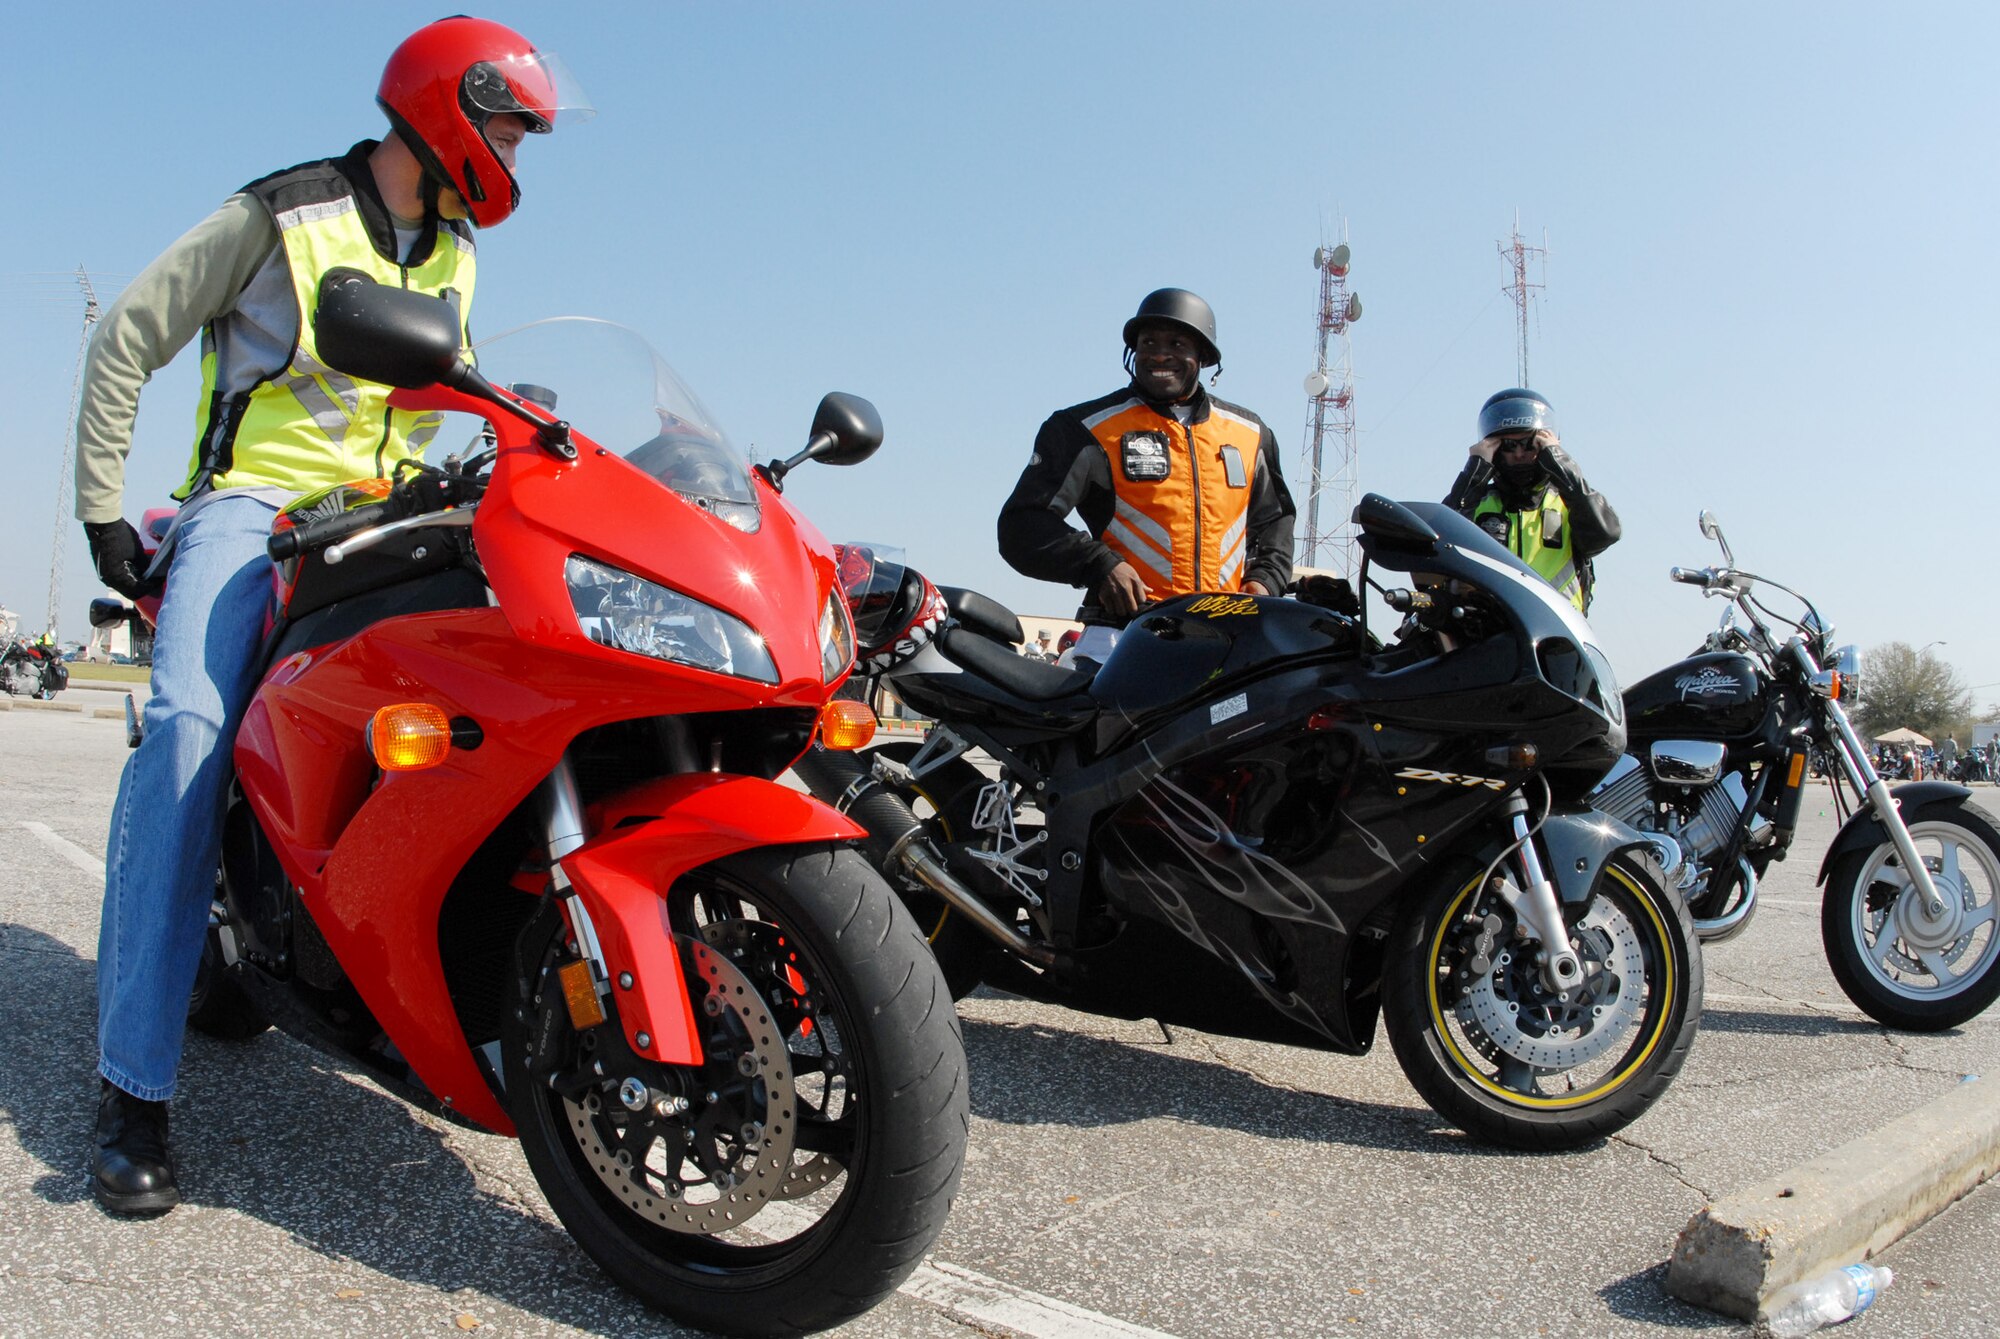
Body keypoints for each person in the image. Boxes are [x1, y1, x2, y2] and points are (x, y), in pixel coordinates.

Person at [73, 16, 586, 1216]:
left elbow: (433, 388)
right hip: (257, 510)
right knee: (191, 740)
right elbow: (123, 337)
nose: (519, 148)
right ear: (449, 110)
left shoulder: (455, 249)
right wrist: (106, 510)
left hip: (388, 511)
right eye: (511, 123)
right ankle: (130, 1086)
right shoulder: (281, 215)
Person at [997, 288, 1295, 658]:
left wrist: (1264, 581)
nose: (1158, 354)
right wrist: (1099, 564)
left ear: (1203, 356)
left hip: (1225, 642)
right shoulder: (1084, 429)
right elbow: (1021, 527)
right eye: (1147, 341)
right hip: (1120, 641)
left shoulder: (1250, 434)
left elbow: (1275, 524)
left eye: (1176, 343)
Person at [1443, 388, 1620, 613]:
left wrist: (1561, 465)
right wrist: (1474, 474)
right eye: (1508, 445)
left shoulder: (1570, 502)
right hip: (1488, 632)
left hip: (1559, 631)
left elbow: (1605, 533)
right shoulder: (1474, 501)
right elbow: (1439, 540)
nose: (1519, 454)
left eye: (1529, 444)